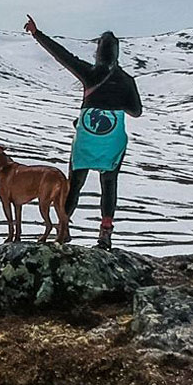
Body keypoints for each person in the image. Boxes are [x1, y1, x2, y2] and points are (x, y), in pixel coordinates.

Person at [24, 15, 143, 249]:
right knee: (109, 183)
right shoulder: (126, 80)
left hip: (87, 137)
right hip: (112, 140)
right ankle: (105, 231)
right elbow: (136, 111)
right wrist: (116, 102)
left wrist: (37, 33)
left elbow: (62, 56)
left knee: (74, 184)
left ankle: (63, 228)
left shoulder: (89, 73)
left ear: (98, 52)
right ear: (117, 53)